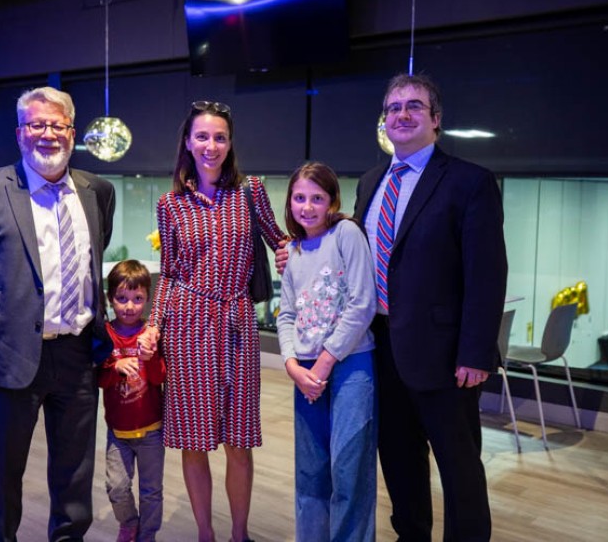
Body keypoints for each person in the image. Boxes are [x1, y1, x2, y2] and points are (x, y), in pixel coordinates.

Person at [277, 73, 507, 541]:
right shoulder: (369, 182)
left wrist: (476, 353)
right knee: (400, 462)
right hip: (379, 350)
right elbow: (347, 251)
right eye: (393, 107)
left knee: (459, 468)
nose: (401, 114)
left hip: (446, 358)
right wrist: (296, 248)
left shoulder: (470, 182)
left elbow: (487, 274)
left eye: (414, 106)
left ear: (436, 120)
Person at [0, 86, 116, 542]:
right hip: (5, 357)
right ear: (20, 134)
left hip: (77, 356)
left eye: (57, 125)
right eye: (36, 125)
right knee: (1, 477)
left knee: (75, 476)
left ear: (72, 133)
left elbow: (95, 259)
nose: (47, 134)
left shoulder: (98, 191)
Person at [139, 100, 287, 542]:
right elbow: (169, 272)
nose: (211, 145)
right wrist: (153, 324)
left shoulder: (250, 191)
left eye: (220, 137)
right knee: (194, 440)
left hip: (237, 323)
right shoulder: (171, 204)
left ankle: (239, 535)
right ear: (187, 142)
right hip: (186, 327)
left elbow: (279, 240)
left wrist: (315, 241)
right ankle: (206, 533)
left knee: (238, 439)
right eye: (202, 136)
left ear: (230, 144)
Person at [275, 162, 377, 542]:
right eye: (300, 198)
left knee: (348, 469)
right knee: (311, 471)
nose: (307, 206)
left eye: (317, 198)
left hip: (350, 365)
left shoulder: (346, 234)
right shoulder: (293, 251)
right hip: (305, 371)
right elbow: (285, 314)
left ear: (333, 201)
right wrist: (291, 364)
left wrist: (324, 361)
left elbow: (362, 304)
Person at [99, 260, 166, 542]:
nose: (129, 306)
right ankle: (128, 522)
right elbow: (98, 378)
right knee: (117, 487)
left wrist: (148, 359)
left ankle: (147, 535)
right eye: (122, 299)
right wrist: (115, 367)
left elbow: (159, 376)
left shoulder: (150, 336)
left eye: (138, 299)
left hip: (151, 429)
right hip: (118, 432)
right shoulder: (105, 334)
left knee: (151, 491)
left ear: (147, 300)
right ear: (110, 298)